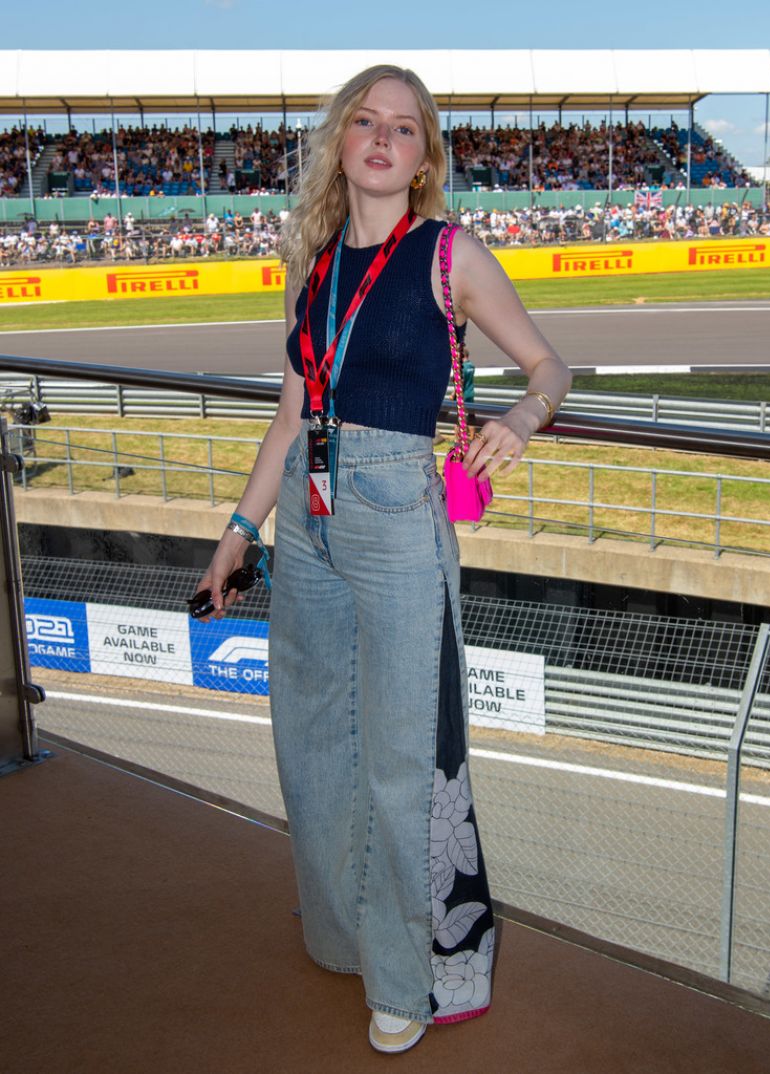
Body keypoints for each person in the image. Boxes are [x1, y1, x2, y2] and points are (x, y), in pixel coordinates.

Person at [193, 64, 571, 1055]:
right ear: (340, 141)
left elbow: (547, 363)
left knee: (403, 759)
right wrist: (237, 533)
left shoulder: (448, 253)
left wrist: (521, 420)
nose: (379, 138)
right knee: (311, 744)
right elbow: (287, 416)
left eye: (402, 127)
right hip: (309, 520)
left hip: (398, 505)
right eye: (363, 120)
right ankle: (342, 933)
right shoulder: (312, 262)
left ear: (423, 154)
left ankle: (406, 980)